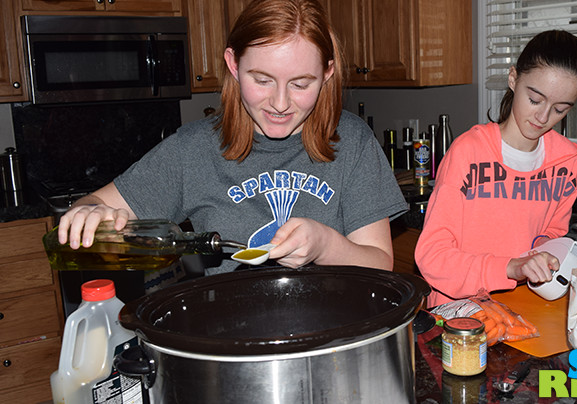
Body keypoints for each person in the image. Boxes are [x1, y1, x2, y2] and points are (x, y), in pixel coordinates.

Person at [57, 0, 407, 274]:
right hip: (231, 344)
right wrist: (87, 213)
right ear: (233, 65)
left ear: (327, 73)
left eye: (301, 84)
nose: (281, 103)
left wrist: (326, 245)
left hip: (335, 338)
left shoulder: (353, 140)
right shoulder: (193, 149)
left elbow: (379, 263)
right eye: (262, 80)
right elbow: (95, 205)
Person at [415, 30, 577, 307]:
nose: (543, 117)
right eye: (535, 100)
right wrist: (510, 268)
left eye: (560, 109)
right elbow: (432, 257)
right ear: (513, 79)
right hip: (459, 314)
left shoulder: (564, 162)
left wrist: (546, 256)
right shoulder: (468, 153)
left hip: (525, 311)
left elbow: (551, 236)